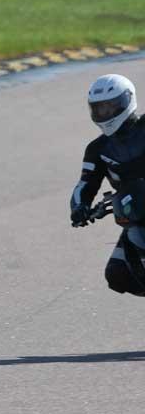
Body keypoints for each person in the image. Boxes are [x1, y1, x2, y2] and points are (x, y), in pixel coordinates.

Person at [70, 73, 145, 296]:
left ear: (127, 101)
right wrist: (79, 207)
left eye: (111, 107)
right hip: (137, 214)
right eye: (100, 108)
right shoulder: (97, 149)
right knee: (118, 275)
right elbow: (85, 183)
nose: (105, 113)